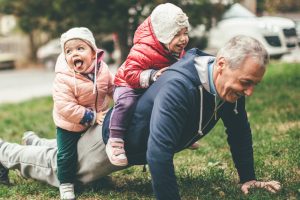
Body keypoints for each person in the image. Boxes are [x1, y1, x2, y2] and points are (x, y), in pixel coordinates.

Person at [0, 36, 281, 200]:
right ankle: (5, 152)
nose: (250, 91)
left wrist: (249, 178)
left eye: (254, 83)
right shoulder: (180, 87)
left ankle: (36, 142)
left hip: (125, 139)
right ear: (221, 65)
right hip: (110, 140)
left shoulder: (228, 87)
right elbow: (158, 152)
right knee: (60, 169)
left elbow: (239, 131)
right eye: (246, 82)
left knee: (65, 152)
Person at [107, 3, 192, 166]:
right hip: (127, 83)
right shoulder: (142, 49)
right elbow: (130, 74)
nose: (183, 39)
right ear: (163, 35)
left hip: (150, 84)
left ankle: (179, 133)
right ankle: (115, 140)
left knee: (171, 101)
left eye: (185, 32)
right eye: (177, 35)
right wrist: (152, 75)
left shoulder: (174, 50)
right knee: (127, 102)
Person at [52, 27, 114, 200]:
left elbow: (111, 87)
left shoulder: (102, 70)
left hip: (96, 117)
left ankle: (99, 175)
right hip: (69, 124)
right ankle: (65, 183)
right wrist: (92, 117)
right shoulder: (63, 77)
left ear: (94, 53)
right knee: (66, 154)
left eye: (80, 48)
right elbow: (65, 106)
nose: (74, 54)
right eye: (69, 51)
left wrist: (121, 96)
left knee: (96, 149)